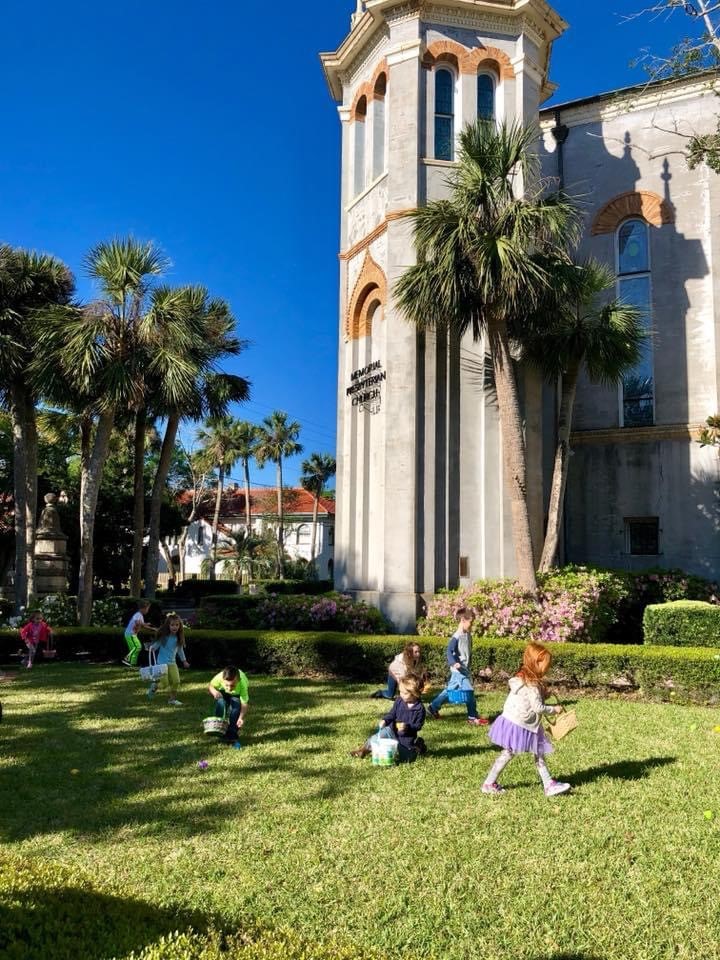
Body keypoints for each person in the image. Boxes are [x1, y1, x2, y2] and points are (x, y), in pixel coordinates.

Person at [482, 641, 571, 798]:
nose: (548, 668)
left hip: (511, 720)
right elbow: (537, 707)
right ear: (536, 662)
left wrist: (543, 695)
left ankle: (489, 783)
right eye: (546, 665)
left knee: (509, 752)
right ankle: (548, 785)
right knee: (536, 752)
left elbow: (530, 700)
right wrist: (554, 709)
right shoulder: (533, 685)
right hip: (523, 724)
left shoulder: (522, 679)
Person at [428, 606, 485, 726]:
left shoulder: (468, 635)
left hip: (464, 669)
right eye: (471, 622)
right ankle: (472, 716)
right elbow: (449, 651)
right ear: (463, 620)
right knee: (469, 691)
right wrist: (454, 663)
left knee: (449, 691)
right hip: (459, 671)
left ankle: (433, 707)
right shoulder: (457, 636)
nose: (472, 625)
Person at [351, 675, 426, 762]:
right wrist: (385, 720)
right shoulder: (399, 701)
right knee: (375, 738)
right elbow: (392, 714)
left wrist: (407, 727)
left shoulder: (420, 709)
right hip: (391, 730)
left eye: (404, 693)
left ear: (414, 694)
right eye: (400, 692)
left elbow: (418, 726)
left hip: (405, 737)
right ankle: (362, 751)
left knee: (407, 759)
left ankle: (418, 746)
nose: (401, 695)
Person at [147, 613, 189, 706]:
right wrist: (151, 648)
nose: (175, 627)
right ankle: (154, 687)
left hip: (172, 663)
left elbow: (180, 651)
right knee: (164, 684)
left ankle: (172, 700)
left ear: (180, 626)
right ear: (168, 625)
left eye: (177, 625)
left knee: (176, 681)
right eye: (172, 625)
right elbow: (156, 645)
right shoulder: (164, 637)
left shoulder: (178, 638)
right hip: (161, 664)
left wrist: (184, 661)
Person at [208, 665, 249, 745]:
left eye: (232, 685)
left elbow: (244, 704)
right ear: (223, 680)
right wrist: (214, 692)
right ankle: (219, 727)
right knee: (221, 703)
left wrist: (241, 718)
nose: (229, 688)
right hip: (222, 692)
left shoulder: (242, 684)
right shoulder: (219, 677)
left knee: (236, 707)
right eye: (227, 685)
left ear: (238, 680)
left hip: (236, 694)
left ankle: (232, 735)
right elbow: (210, 686)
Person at [122, 601, 155, 668]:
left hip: (132, 634)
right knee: (137, 647)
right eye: (147, 609)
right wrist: (144, 624)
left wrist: (152, 628)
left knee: (135, 648)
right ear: (143, 609)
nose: (147, 611)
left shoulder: (140, 616)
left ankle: (132, 664)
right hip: (130, 634)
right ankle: (127, 659)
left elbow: (143, 625)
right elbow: (137, 622)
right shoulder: (137, 615)